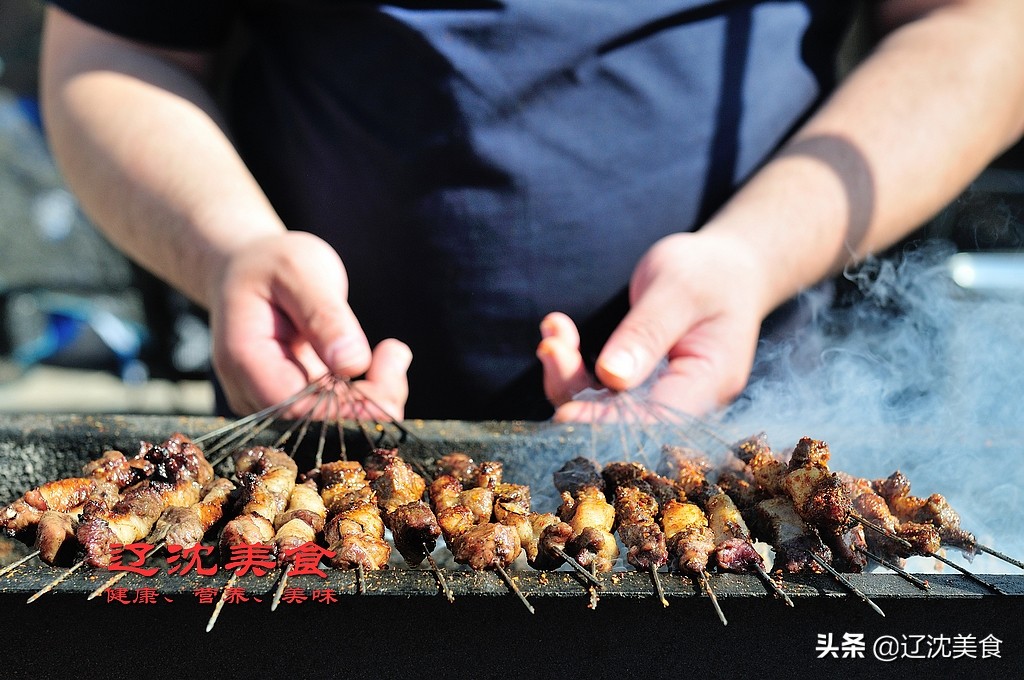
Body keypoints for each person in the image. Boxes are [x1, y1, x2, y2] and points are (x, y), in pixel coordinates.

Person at [38, 1, 1024, 422]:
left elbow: (980, 24)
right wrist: (228, 248)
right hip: (306, 441)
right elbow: (113, 48)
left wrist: (753, 258)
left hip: (740, 438)